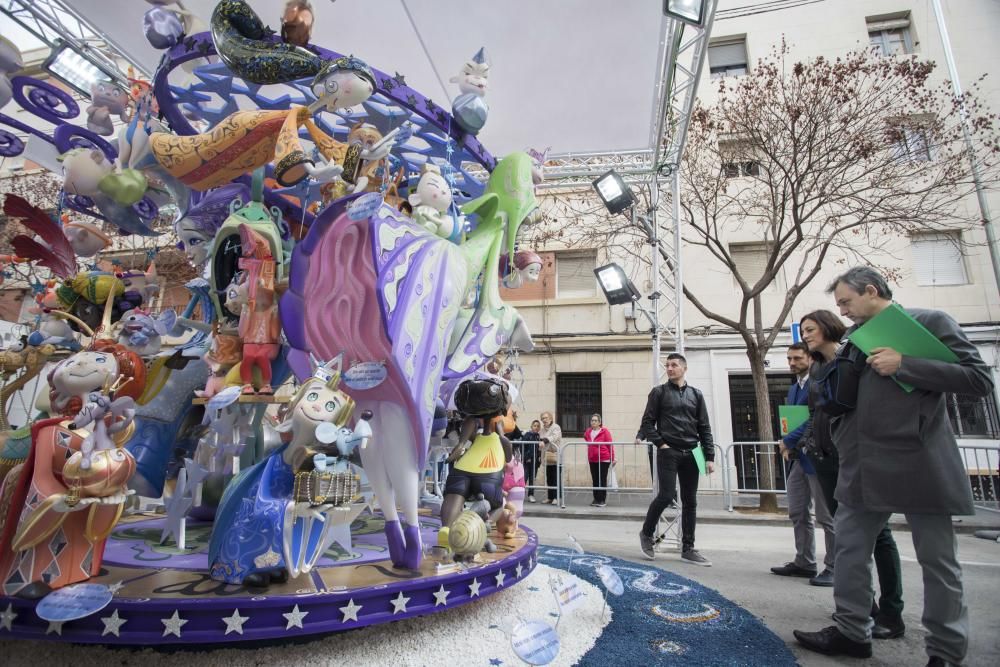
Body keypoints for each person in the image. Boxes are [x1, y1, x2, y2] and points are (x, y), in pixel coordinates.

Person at [794, 267, 993, 667]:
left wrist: (906, 364)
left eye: (847, 302)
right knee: (849, 550)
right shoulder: (852, 340)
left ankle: (946, 651)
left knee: (938, 561)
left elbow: (978, 379)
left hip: (920, 460)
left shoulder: (930, 322)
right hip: (862, 463)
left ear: (871, 290)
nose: (844, 311)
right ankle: (852, 631)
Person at [799, 309, 906, 638]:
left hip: (855, 456)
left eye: (810, 329)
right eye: (802, 331)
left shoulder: (852, 358)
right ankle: (864, 608)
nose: (805, 335)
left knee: (879, 535)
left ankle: (891, 612)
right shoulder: (817, 366)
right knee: (849, 537)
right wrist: (807, 443)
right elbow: (815, 411)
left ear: (829, 327)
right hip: (825, 458)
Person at [636, 353, 716, 566]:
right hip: (668, 452)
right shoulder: (658, 393)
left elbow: (704, 427)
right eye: (667, 365)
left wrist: (709, 457)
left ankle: (688, 548)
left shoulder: (696, 395)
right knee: (667, 495)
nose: (669, 368)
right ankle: (646, 533)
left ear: (684, 368)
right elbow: (647, 423)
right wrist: (661, 444)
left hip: (693, 453)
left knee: (690, 501)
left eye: (674, 365)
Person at [771, 342, 836, 585]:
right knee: (798, 511)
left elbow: (815, 417)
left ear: (810, 358)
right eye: (789, 359)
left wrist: (788, 440)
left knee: (826, 516)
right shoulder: (794, 388)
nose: (792, 363)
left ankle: (834, 567)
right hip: (799, 457)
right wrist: (789, 444)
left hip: (819, 456)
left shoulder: (818, 383)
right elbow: (793, 419)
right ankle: (805, 561)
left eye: (797, 358)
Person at [584, 414, 615, 507]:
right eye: (592, 420)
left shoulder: (604, 431)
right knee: (595, 479)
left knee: (602, 479)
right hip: (592, 459)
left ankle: (602, 500)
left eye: (595, 420)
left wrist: (613, 458)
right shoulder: (588, 431)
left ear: (599, 422)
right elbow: (586, 437)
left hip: (603, 458)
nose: (593, 422)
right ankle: (596, 499)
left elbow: (610, 445)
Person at [538, 411, 562, 505]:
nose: (544, 420)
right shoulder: (542, 430)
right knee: (549, 478)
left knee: (556, 478)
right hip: (547, 457)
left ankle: (556, 497)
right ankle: (550, 497)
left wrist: (544, 440)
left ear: (551, 418)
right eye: (542, 418)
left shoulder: (556, 427)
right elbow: (539, 439)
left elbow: (554, 437)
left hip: (556, 456)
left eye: (546, 418)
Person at [521, 419, 542, 503]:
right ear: (531, 426)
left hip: (535, 461)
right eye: (535, 426)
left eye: (538, 426)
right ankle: (521, 494)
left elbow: (538, 449)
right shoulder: (527, 435)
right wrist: (526, 457)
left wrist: (539, 457)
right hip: (527, 461)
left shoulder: (538, 436)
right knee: (525, 477)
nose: (536, 427)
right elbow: (522, 447)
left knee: (532, 478)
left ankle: (531, 495)